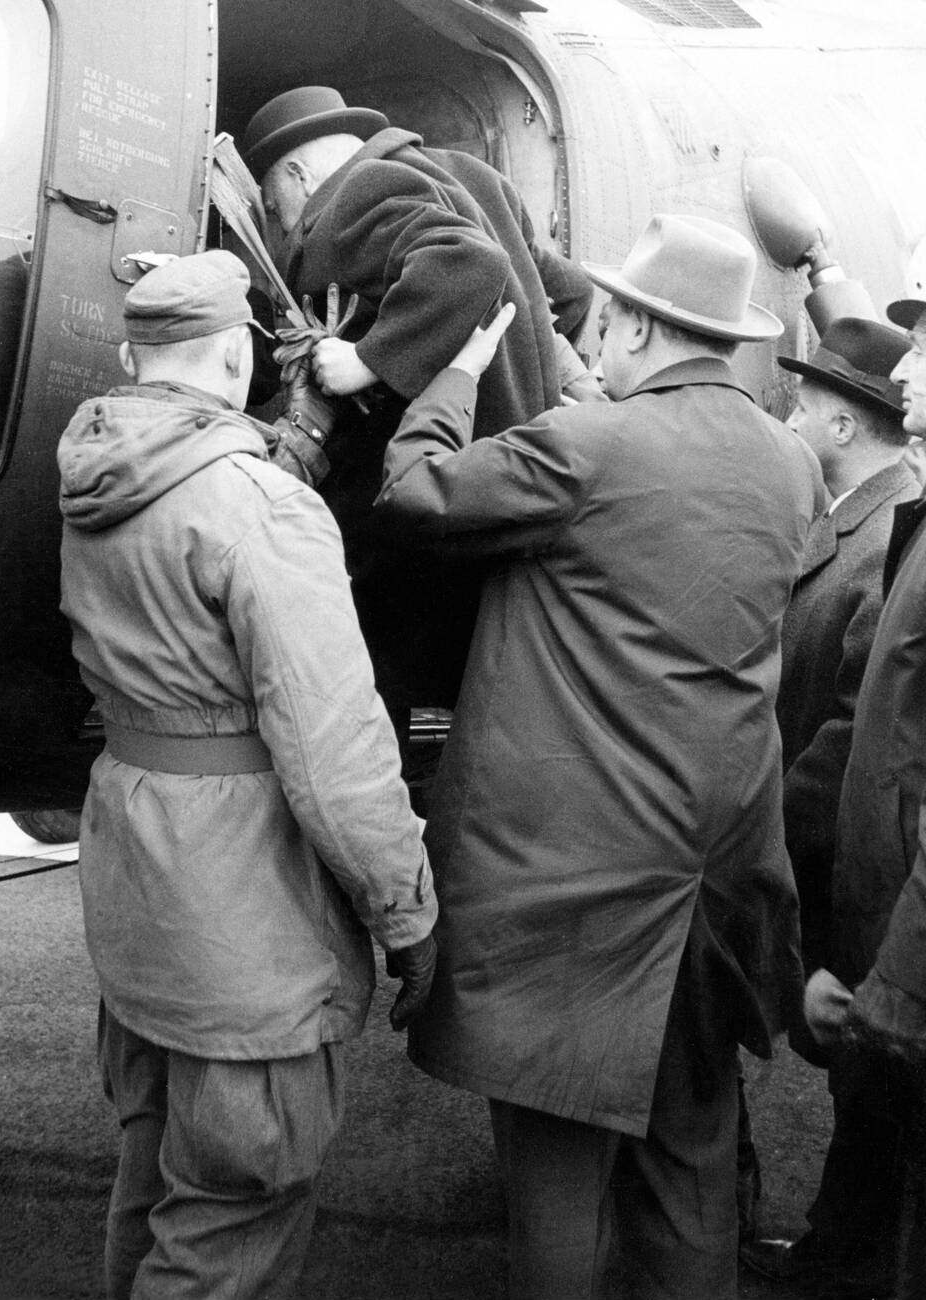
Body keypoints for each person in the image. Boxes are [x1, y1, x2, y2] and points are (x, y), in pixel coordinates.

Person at [374, 213, 823, 1300]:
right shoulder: (791, 465)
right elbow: (661, 523)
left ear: (632, 324)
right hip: (713, 890)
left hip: (573, 903)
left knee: (558, 1200)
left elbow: (413, 494)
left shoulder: (587, 450)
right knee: (687, 1178)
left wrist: (456, 375)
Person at [57, 250, 438, 1300]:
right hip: (247, 931)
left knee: (153, 1185)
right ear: (236, 356)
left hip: (142, 899)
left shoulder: (93, 472)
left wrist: (298, 437)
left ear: (138, 361)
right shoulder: (263, 508)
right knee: (230, 1220)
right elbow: (336, 752)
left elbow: (207, 494)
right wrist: (406, 914)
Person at [241, 85, 598, 721]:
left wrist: (365, 361)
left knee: (373, 695)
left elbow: (464, 262)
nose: (281, 226)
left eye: (274, 207)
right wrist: (519, 364)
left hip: (430, 508)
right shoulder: (471, 175)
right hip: (510, 489)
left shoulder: (354, 194)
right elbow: (567, 296)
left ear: (297, 175)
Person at [736, 315, 918, 1254]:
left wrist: (754, 818)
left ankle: (845, 1258)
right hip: (825, 844)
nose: (786, 415)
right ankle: (841, 1248)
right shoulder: (848, 521)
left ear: (844, 427)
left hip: (841, 852)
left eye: (800, 404)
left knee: (866, 1075)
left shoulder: (883, 539)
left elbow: (857, 728)